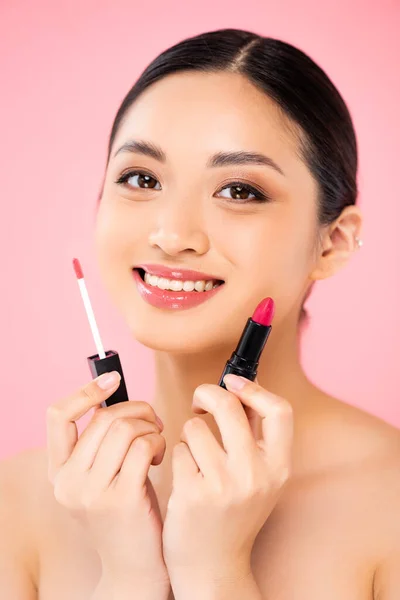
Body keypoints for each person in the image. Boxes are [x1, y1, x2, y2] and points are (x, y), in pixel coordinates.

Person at [1, 27, 399, 600]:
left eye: (239, 190)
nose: (172, 234)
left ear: (333, 241)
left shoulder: (391, 503)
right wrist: (128, 578)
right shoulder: (12, 505)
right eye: (141, 178)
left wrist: (216, 575)